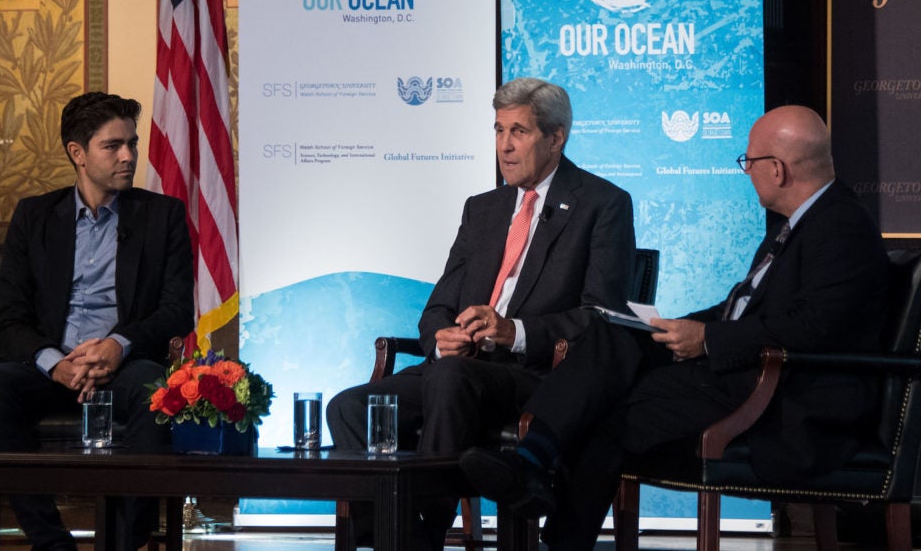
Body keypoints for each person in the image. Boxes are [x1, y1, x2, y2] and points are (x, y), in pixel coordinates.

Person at [460, 105, 888, 550]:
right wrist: (680, 326)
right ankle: (535, 461)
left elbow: (814, 327)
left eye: (749, 162)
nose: (747, 172)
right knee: (614, 332)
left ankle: (552, 513)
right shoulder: (799, 223)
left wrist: (707, 339)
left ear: (777, 170)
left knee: (609, 412)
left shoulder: (841, 227)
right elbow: (744, 308)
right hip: (738, 374)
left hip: (785, 395)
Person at [327, 77, 636, 549]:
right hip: (459, 366)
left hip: (533, 375)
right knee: (349, 407)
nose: (505, 147)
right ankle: (393, 533)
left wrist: (515, 331)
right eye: (498, 130)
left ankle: (422, 533)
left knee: (450, 379)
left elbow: (600, 316)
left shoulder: (602, 204)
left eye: (519, 132)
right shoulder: (483, 209)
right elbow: (438, 305)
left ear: (556, 138)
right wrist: (439, 337)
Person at [0, 92, 194, 551]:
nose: (129, 156)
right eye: (113, 146)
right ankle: (53, 544)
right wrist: (55, 363)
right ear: (78, 153)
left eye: (131, 143)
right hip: (54, 364)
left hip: (125, 365)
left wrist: (117, 344)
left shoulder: (161, 216)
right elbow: (9, 319)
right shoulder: (34, 217)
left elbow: (175, 312)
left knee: (155, 388)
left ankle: (123, 544)